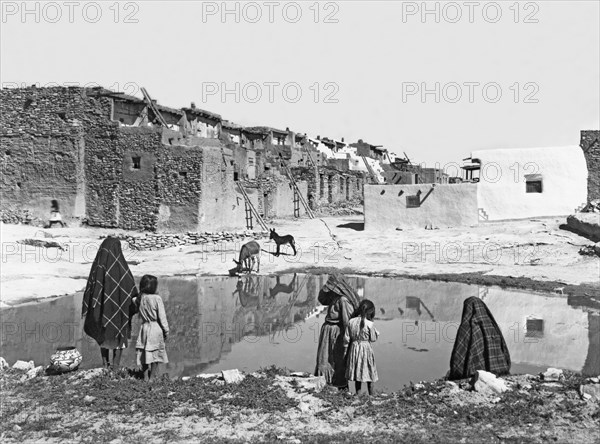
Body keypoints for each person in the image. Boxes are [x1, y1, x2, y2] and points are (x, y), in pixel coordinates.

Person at [82, 237, 139, 370]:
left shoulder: (98, 268)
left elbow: (91, 291)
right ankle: (116, 367)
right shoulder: (122, 268)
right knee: (119, 338)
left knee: (103, 337)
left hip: (102, 313)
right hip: (119, 313)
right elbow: (131, 290)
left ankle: (105, 365)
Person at [314, 273, 360, 389]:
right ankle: (325, 383)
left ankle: (338, 385)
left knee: (336, 359)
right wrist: (326, 289)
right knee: (324, 358)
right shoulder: (334, 296)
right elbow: (322, 300)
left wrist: (346, 339)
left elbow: (347, 322)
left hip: (336, 333)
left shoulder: (343, 300)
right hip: (328, 331)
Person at [448, 296, 511, 380]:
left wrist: (455, 372)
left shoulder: (467, 327)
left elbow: (460, 351)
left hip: (474, 373)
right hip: (499, 370)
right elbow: (503, 348)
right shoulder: (492, 326)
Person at [135, 275, 169, 381]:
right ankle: (152, 378)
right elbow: (162, 317)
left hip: (144, 328)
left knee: (144, 353)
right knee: (156, 355)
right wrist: (166, 331)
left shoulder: (137, 299)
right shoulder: (157, 298)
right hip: (155, 328)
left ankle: (145, 377)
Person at [344, 299, 379, 396]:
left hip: (354, 349)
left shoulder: (351, 321)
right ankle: (372, 396)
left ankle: (358, 395)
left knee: (357, 372)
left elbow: (346, 339)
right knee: (369, 373)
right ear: (371, 312)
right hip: (366, 349)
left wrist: (345, 352)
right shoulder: (369, 324)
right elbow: (373, 338)